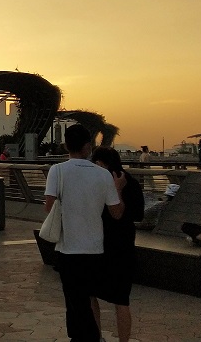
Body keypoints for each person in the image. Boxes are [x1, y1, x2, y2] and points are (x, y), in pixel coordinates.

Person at [43, 124, 124, 341]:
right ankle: (87, 337)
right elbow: (116, 213)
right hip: (95, 248)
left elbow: (49, 207)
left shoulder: (57, 171)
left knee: (73, 299)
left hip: (67, 247)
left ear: (66, 145)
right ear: (88, 146)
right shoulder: (103, 175)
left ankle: (83, 338)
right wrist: (118, 188)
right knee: (86, 298)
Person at [89, 147, 145, 342]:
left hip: (110, 246)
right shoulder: (131, 182)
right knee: (117, 299)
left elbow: (118, 214)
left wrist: (117, 190)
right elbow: (139, 215)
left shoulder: (112, 183)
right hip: (117, 245)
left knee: (111, 297)